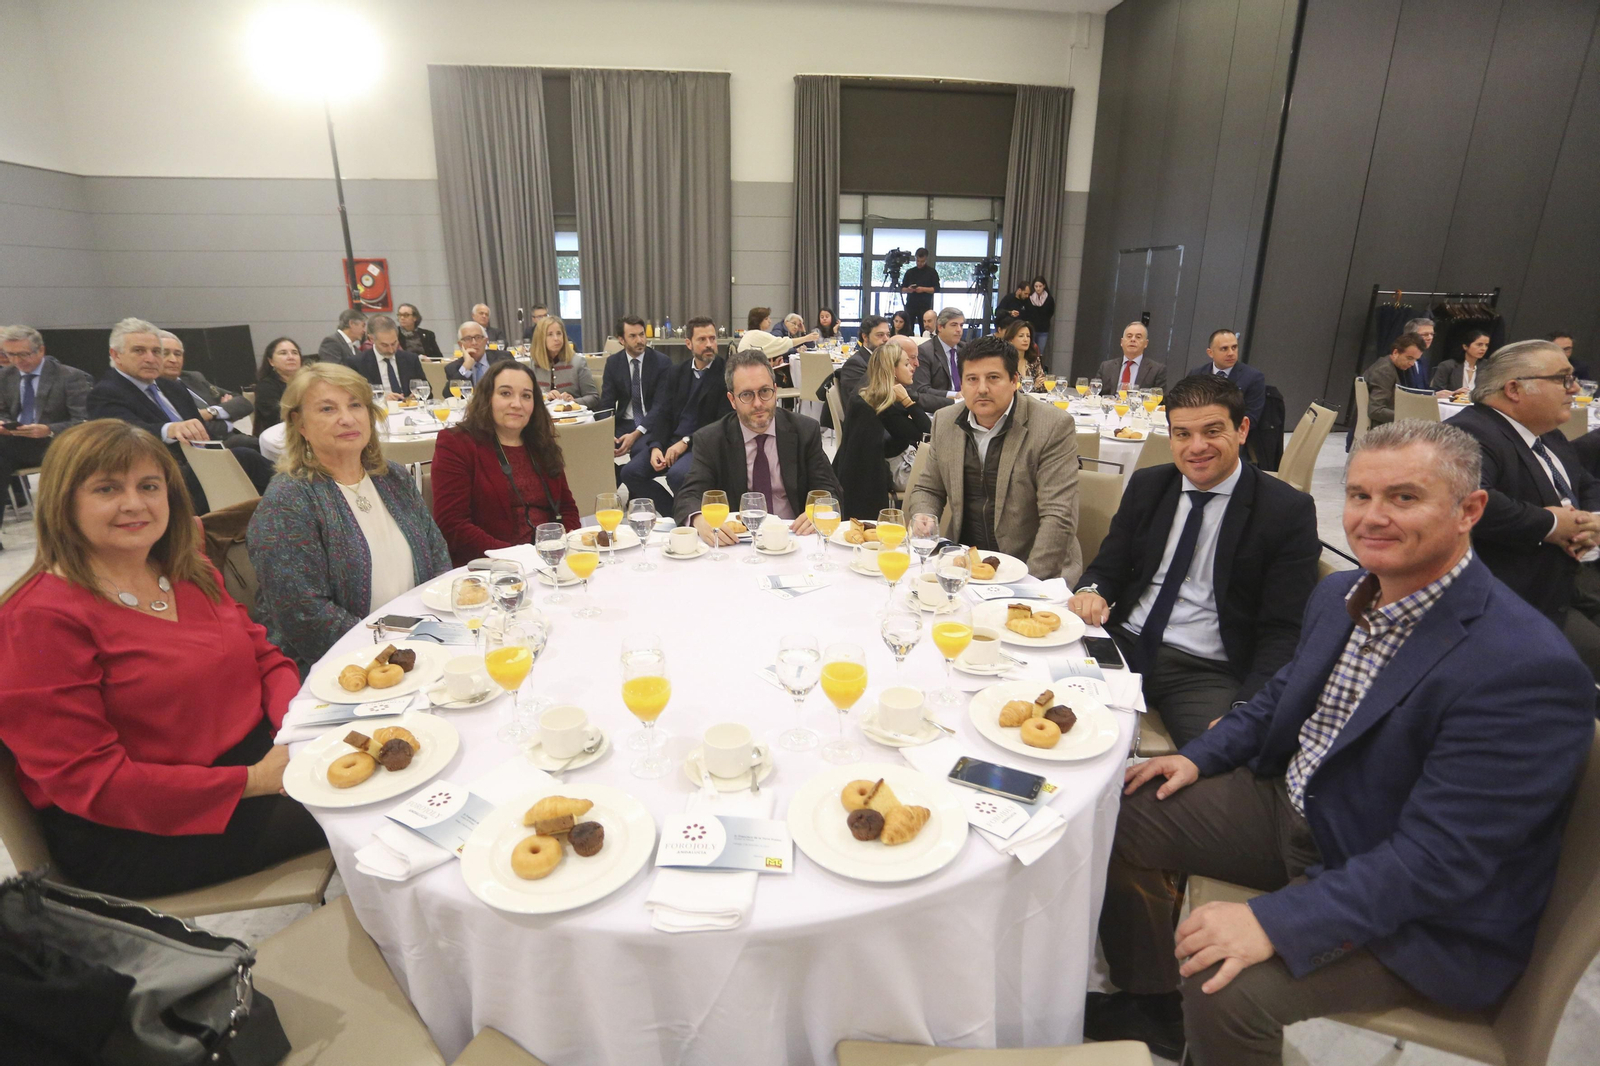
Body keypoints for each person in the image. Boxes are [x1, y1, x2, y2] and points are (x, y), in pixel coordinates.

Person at [1086, 419, 1595, 1065]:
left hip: (1410, 895)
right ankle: (1153, 1003)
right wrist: (1194, 755)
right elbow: (1281, 696)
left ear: (1470, 509)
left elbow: (1441, 860)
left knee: (1225, 986)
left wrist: (1276, 923)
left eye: (1404, 498)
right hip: (1304, 807)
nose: (1372, 517)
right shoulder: (1342, 593)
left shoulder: (1522, 666)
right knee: (1122, 809)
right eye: (1359, 496)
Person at [0, 419, 326, 898]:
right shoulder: (37, 619)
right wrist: (254, 779)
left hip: (255, 759)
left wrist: (293, 732)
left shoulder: (184, 569)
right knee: (382, 806)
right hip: (143, 827)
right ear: (63, 502)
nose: (135, 503)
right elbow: (93, 782)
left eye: (149, 486)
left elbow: (265, 658)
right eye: (108, 488)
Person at [1067, 375, 1319, 747]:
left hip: (1205, 669)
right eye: (1183, 434)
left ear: (1242, 429)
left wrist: (1249, 704)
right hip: (1124, 642)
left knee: (1222, 765)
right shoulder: (1149, 486)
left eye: (1212, 431)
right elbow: (1109, 568)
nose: (1196, 447)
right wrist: (1092, 590)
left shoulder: (1284, 511)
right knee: (1038, 701)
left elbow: (1284, 630)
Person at [247, 362, 450, 673]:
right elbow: (305, 615)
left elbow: (438, 557)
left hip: (421, 647)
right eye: (327, 409)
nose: (347, 418)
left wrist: (436, 629)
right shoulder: (289, 500)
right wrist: (392, 651)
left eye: (356, 405)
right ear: (299, 424)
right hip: (342, 668)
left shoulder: (391, 477)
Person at [1447, 339, 1600, 677]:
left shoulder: (1548, 434)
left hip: (1577, 576)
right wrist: (1550, 523)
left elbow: (1586, 482)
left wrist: (1591, 522)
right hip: (1526, 598)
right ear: (1514, 388)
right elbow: (1468, 498)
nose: (1574, 388)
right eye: (1562, 378)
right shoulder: (1470, 430)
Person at [906, 334, 1082, 581]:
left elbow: (1058, 515)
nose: (982, 389)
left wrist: (1031, 583)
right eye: (972, 379)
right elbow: (928, 488)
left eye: (993, 378)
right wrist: (924, 517)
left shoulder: (1052, 426)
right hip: (965, 564)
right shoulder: (946, 421)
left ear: (1014, 381)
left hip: (1031, 566)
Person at [88, 317, 274, 513]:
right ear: (116, 355)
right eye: (139, 351)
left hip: (204, 460)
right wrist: (170, 429)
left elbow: (201, 427)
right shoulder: (104, 393)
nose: (151, 358)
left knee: (249, 460)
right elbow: (122, 435)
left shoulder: (173, 387)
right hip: (160, 476)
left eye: (156, 351)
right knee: (246, 456)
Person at [674, 350, 840, 541]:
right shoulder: (711, 439)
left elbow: (829, 489)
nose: (758, 403)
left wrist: (820, 510)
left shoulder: (805, 431)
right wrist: (699, 519)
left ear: (775, 391)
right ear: (732, 400)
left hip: (794, 537)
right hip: (738, 542)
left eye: (764, 391)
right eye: (746, 395)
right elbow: (688, 496)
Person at [431, 360, 580, 567]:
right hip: (491, 568)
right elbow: (452, 525)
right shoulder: (457, 444)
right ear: (487, 398)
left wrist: (561, 548)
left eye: (526, 396)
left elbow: (567, 508)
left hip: (550, 559)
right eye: (505, 393)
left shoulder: (540, 442)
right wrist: (515, 557)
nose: (517, 404)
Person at [621, 318, 729, 512]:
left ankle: (687, 515)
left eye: (712, 339)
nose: (709, 345)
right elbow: (663, 413)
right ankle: (676, 513)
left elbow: (721, 423)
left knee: (678, 475)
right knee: (630, 473)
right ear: (688, 343)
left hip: (702, 444)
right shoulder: (677, 372)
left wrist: (686, 442)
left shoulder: (726, 374)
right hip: (672, 440)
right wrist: (655, 446)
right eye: (702, 339)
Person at [0, 325, 93, 540]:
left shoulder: (70, 376)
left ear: (40, 350)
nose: (17, 361)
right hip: (16, 441)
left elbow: (84, 421)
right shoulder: (5, 377)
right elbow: (2, 410)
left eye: (23, 354)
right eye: (10, 355)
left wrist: (49, 429)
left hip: (57, 443)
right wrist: (5, 425)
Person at [832, 343, 932, 519]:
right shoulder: (879, 405)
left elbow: (922, 432)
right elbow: (926, 433)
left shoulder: (877, 396)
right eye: (906, 364)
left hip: (881, 467)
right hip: (882, 476)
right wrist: (908, 402)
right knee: (939, 482)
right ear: (892, 369)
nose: (913, 368)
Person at [157, 331, 257, 450]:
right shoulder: (154, 390)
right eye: (165, 353)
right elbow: (194, 430)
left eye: (178, 354)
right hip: (203, 448)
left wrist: (210, 412)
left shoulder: (193, 378)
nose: (173, 360)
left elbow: (244, 403)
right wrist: (227, 415)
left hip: (233, 438)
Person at [598, 315, 670, 456]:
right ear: (621, 340)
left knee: (638, 452)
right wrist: (606, 432)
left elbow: (660, 406)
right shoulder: (613, 363)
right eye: (633, 336)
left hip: (650, 423)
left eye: (641, 334)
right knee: (597, 450)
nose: (640, 340)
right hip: (624, 422)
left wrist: (636, 434)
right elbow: (607, 403)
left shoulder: (662, 363)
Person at [1184, 328, 1266, 428]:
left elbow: (1251, 418)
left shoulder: (1253, 377)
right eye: (1224, 349)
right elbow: (1185, 406)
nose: (1231, 353)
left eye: (1234, 347)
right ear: (1210, 353)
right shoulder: (1196, 375)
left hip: (1231, 435)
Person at [351, 314, 426, 401]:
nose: (391, 350)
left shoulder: (411, 359)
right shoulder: (357, 363)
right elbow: (354, 397)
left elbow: (426, 389)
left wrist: (417, 395)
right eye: (384, 345)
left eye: (394, 343)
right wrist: (381, 400)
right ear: (371, 339)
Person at [528, 315, 598, 407]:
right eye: (550, 334)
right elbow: (529, 397)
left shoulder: (578, 362)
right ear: (540, 339)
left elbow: (594, 398)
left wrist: (573, 402)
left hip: (574, 417)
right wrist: (544, 397)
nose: (556, 338)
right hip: (544, 417)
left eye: (559, 333)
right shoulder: (534, 364)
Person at [1361, 331, 1427, 427]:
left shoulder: (1397, 367)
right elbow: (1375, 410)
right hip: (1381, 428)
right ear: (1396, 352)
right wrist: (1408, 417)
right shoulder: (1384, 371)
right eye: (1409, 358)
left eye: (1415, 360)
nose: (1412, 364)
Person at [912, 308, 964, 412]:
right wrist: (955, 395)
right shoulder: (925, 351)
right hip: (940, 408)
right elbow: (922, 389)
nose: (959, 330)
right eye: (954, 325)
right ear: (940, 327)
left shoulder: (966, 349)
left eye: (961, 325)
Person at [1099, 321, 1169, 392]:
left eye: (1138, 337)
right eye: (1129, 336)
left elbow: (1159, 398)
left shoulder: (1157, 370)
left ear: (1146, 343)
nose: (1133, 340)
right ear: (1121, 342)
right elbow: (1095, 394)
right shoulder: (1106, 367)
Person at [253, 337, 301, 433]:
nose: (291, 357)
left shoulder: (309, 382)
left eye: (295, 353)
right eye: (283, 353)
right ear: (271, 361)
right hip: (280, 435)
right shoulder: (265, 387)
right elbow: (278, 417)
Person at [838, 315, 891, 401]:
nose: (886, 339)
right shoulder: (855, 364)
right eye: (880, 335)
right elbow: (862, 400)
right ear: (865, 337)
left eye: (888, 335)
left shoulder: (884, 358)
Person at [738, 306, 818, 362]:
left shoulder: (751, 334)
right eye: (766, 319)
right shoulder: (758, 334)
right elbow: (783, 344)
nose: (770, 321)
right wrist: (806, 338)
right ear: (758, 321)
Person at [1430, 328, 1490, 396]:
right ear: (1465, 346)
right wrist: (1453, 394)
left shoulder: (1487, 366)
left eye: (1486, 345)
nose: (1484, 348)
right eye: (1479, 345)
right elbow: (1437, 392)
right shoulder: (1447, 366)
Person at [444, 320, 494, 388]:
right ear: (460, 344)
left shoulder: (503, 358)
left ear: (485, 341)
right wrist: (465, 367)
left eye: (478, 337)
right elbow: (448, 394)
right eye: (468, 339)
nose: (474, 343)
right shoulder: (453, 368)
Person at [899, 247, 939, 330]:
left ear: (926, 259)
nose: (919, 263)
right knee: (908, 329)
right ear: (915, 258)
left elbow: (936, 289)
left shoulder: (931, 272)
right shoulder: (910, 272)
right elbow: (902, 289)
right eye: (917, 261)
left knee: (925, 329)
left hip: (925, 305)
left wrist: (923, 289)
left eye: (922, 261)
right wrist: (908, 290)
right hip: (911, 305)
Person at [1003, 320, 1044, 386]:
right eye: (1021, 336)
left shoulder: (1034, 360)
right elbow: (1008, 387)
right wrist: (1034, 386)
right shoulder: (1004, 361)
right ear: (1010, 340)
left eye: (1028, 336)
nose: (1026, 339)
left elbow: (1043, 384)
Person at [1026, 275, 1057, 356]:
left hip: (1043, 330)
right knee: (1030, 352)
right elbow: (1028, 313)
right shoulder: (1029, 298)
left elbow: (1051, 312)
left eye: (1040, 286)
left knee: (1040, 353)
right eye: (1036, 286)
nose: (1038, 288)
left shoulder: (1049, 299)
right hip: (1031, 329)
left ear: (1044, 286)